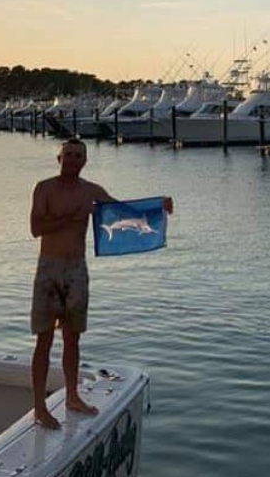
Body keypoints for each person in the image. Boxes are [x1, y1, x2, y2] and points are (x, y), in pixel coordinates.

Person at [29, 137, 174, 430]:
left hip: (76, 269)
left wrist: (159, 205)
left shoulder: (92, 191)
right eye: (67, 155)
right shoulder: (44, 188)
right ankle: (40, 408)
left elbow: (125, 213)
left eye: (77, 156)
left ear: (84, 161)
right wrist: (72, 218)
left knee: (73, 337)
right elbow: (36, 228)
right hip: (49, 269)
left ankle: (72, 396)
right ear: (59, 159)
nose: (71, 160)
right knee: (44, 338)